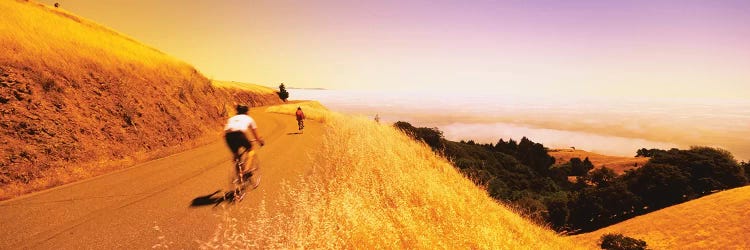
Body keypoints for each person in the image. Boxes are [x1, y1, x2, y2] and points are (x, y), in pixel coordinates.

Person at [224, 104, 264, 173]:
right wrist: (260, 141)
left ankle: (239, 175)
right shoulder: (249, 118)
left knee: (236, 156)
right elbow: (255, 135)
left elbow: (225, 132)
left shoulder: (231, 118)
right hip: (239, 134)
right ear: (246, 112)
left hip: (228, 136)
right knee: (251, 150)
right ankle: (246, 170)